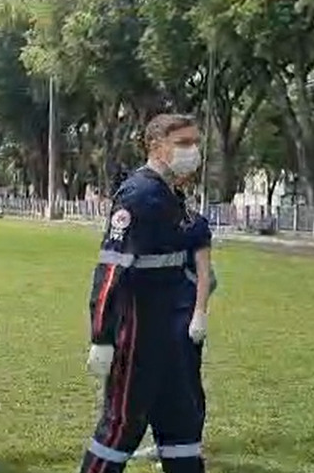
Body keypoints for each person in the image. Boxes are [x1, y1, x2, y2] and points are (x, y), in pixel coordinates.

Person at [80, 113, 206, 473]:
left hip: (176, 330)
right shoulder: (138, 195)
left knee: (181, 420)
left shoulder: (172, 194)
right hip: (141, 330)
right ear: (155, 146)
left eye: (195, 143)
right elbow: (111, 269)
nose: (192, 151)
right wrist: (102, 336)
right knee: (123, 423)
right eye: (183, 143)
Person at [129, 184, 217, 463]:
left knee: (187, 383)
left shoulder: (194, 224)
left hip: (185, 316)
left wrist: (199, 313)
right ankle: (164, 442)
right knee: (159, 383)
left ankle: (191, 443)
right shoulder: (155, 225)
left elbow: (205, 275)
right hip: (158, 315)